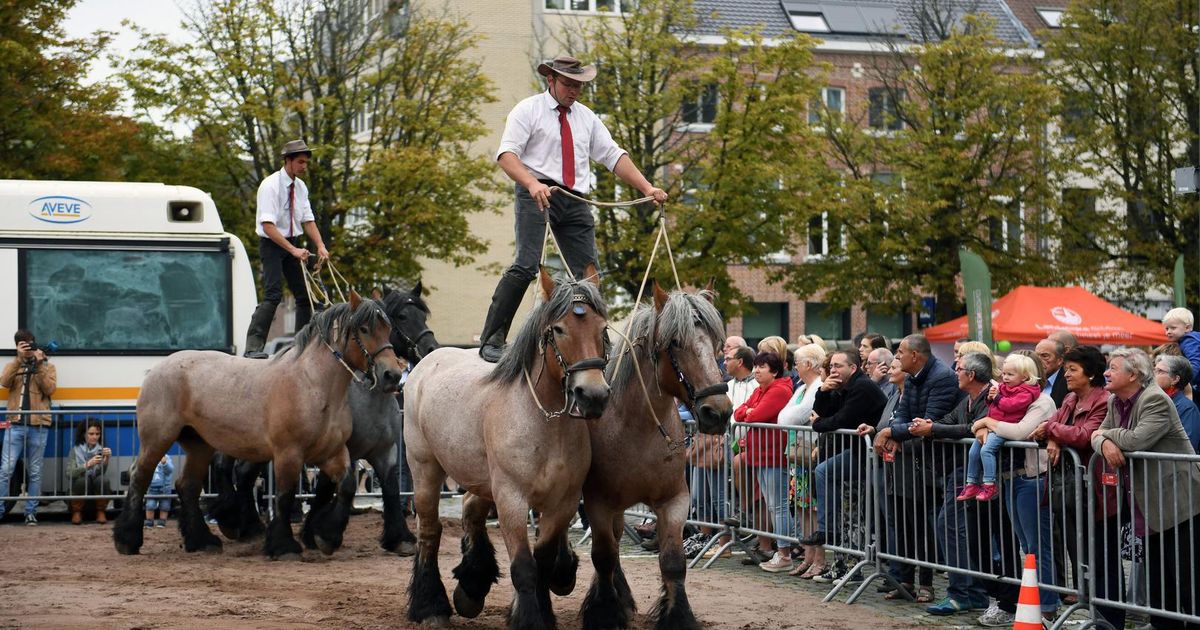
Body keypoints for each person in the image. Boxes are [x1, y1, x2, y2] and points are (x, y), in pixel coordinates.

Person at [479, 55, 667, 362]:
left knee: (589, 276)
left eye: (579, 85)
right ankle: (493, 337)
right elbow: (506, 155)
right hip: (538, 192)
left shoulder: (587, 118)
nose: (575, 91)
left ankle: (598, 341)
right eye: (568, 84)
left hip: (576, 200)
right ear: (550, 80)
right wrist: (531, 183)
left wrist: (647, 188)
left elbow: (613, 155)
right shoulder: (527, 110)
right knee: (526, 265)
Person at [1091, 348, 1200, 630]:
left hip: (1178, 499)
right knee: (1158, 573)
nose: (1106, 372)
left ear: (1134, 374)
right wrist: (1103, 442)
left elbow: (1137, 439)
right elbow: (1095, 434)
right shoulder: (1116, 400)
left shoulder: (1155, 399)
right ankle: (1164, 624)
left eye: (1113, 368)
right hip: (1147, 501)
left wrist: (1105, 436)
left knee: (1187, 574)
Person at [1026, 345, 1111, 603]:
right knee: (1073, 540)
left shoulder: (1103, 400)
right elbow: (1048, 432)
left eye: (1073, 370)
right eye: (1066, 370)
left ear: (1092, 374)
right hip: (1067, 482)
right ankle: (1083, 592)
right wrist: (1054, 436)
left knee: (1095, 545)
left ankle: (1101, 598)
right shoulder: (1070, 399)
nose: (1066, 375)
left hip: (1094, 484)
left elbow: (1085, 435)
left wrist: (1052, 431)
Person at [803, 350, 887, 583]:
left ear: (853, 367)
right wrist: (823, 391)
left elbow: (841, 420)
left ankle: (851, 567)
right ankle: (841, 565)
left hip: (866, 459)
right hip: (850, 456)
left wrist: (819, 424)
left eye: (839, 366)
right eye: (831, 366)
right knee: (844, 516)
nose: (833, 370)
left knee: (852, 517)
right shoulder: (842, 387)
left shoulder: (862, 388)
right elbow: (823, 413)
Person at [243, 140, 331, 358]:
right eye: (300, 162)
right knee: (273, 295)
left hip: (292, 242)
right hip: (272, 244)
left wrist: (320, 246)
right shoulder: (270, 185)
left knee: (304, 297)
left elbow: (308, 220)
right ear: (288, 161)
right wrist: (292, 250)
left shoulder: (301, 187)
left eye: (306, 163)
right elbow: (268, 226)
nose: (304, 166)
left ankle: (299, 346)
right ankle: (253, 347)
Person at [733, 352, 796, 573]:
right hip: (760, 455)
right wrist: (747, 411)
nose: (757, 370)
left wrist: (748, 412)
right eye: (756, 367)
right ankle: (782, 551)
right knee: (772, 505)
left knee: (778, 506)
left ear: (775, 371)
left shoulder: (779, 389)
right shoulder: (761, 389)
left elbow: (752, 416)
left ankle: (785, 553)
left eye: (762, 367)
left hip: (773, 456)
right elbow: (739, 412)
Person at [956, 354, 1042, 502]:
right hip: (993, 426)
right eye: (1004, 373)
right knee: (973, 451)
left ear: (1025, 377)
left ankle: (989, 483)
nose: (1006, 377)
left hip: (1004, 427)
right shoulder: (1003, 387)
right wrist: (989, 398)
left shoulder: (1027, 392)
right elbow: (994, 406)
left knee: (986, 450)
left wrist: (996, 398)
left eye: (1010, 374)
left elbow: (1010, 406)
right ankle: (971, 483)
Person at [0, 329, 58, 525]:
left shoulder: (47, 367)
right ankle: (0, 509)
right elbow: (5, 382)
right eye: (24, 345)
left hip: (38, 425)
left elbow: (50, 389)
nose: (28, 348)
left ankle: (30, 512)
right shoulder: (12, 365)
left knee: (35, 471)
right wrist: (19, 359)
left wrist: (39, 364)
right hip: (14, 424)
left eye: (30, 344)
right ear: (17, 346)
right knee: (6, 470)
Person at [778, 343, 825, 577]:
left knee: (813, 509)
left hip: (811, 453)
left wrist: (790, 418)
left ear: (809, 364)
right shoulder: (801, 388)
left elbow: (794, 416)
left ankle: (819, 558)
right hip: (797, 454)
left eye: (798, 362)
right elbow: (783, 417)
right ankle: (807, 555)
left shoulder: (817, 387)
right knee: (801, 507)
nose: (795, 366)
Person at [67, 418, 112, 525]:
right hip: (80, 489)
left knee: (103, 480)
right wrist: (88, 464)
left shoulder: (100, 449)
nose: (95, 437)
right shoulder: (75, 450)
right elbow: (69, 473)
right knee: (82, 480)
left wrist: (106, 460)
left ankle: (101, 511)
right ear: (83, 434)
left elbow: (100, 473)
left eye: (97, 434)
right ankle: (76, 512)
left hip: (94, 489)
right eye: (91, 434)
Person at [1155, 354, 1200, 452]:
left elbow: (1188, 446)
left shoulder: (1187, 408)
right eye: (1154, 370)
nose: (1154, 375)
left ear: (1175, 379)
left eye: (1160, 371)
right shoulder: (1156, 402)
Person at [1163, 307, 1200, 392]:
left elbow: (1195, 363)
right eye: (1167, 328)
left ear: (1187, 328)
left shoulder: (1189, 341)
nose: (1168, 332)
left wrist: (1184, 384)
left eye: (1173, 328)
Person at [1036, 338, 1069, 407]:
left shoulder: (1068, 383)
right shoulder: (1028, 379)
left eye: (1045, 356)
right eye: (1036, 356)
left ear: (1060, 360)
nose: (1038, 361)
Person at [145, 454, 175, 528]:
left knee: (165, 506)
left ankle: (162, 521)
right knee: (150, 505)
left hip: (165, 488)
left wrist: (165, 463)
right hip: (152, 487)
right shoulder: (149, 456)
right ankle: (149, 521)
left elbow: (170, 470)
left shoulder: (167, 457)